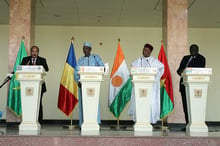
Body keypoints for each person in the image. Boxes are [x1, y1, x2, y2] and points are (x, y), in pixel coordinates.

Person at [128, 43, 164, 124]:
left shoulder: (154, 61)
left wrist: (156, 79)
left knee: (150, 103)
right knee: (139, 102)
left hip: (151, 87)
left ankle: (149, 120)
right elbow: (133, 70)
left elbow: (161, 69)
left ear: (150, 52)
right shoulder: (138, 61)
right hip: (139, 87)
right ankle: (139, 120)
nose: (144, 51)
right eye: (143, 49)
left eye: (146, 50)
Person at [74, 42, 104, 127]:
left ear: (90, 49)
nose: (85, 50)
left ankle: (96, 121)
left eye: (87, 48)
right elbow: (76, 71)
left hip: (94, 85)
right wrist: (78, 81)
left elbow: (102, 67)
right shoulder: (80, 60)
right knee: (83, 104)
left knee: (94, 103)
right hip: (83, 85)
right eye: (84, 48)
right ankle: (83, 122)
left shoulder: (95, 58)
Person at [177, 44, 206, 130]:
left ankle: (196, 124)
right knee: (186, 106)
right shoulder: (185, 58)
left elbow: (200, 70)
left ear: (198, 50)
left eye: (195, 49)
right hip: (184, 85)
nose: (193, 51)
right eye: (191, 49)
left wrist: (188, 70)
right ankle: (188, 124)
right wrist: (181, 71)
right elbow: (179, 71)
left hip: (196, 87)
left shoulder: (201, 58)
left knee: (196, 106)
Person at [21, 45, 49, 124]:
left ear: (38, 52)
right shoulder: (25, 59)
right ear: (31, 52)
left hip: (39, 86)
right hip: (26, 86)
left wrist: (38, 67)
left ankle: (39, 121)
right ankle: (27, 120)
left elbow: (47, 69)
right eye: (33, 51)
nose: (34, 53)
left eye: (36, 51)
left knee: (38, 103)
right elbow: (19, 68)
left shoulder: (42, 60)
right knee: (27, 103)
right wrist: (25, 67)